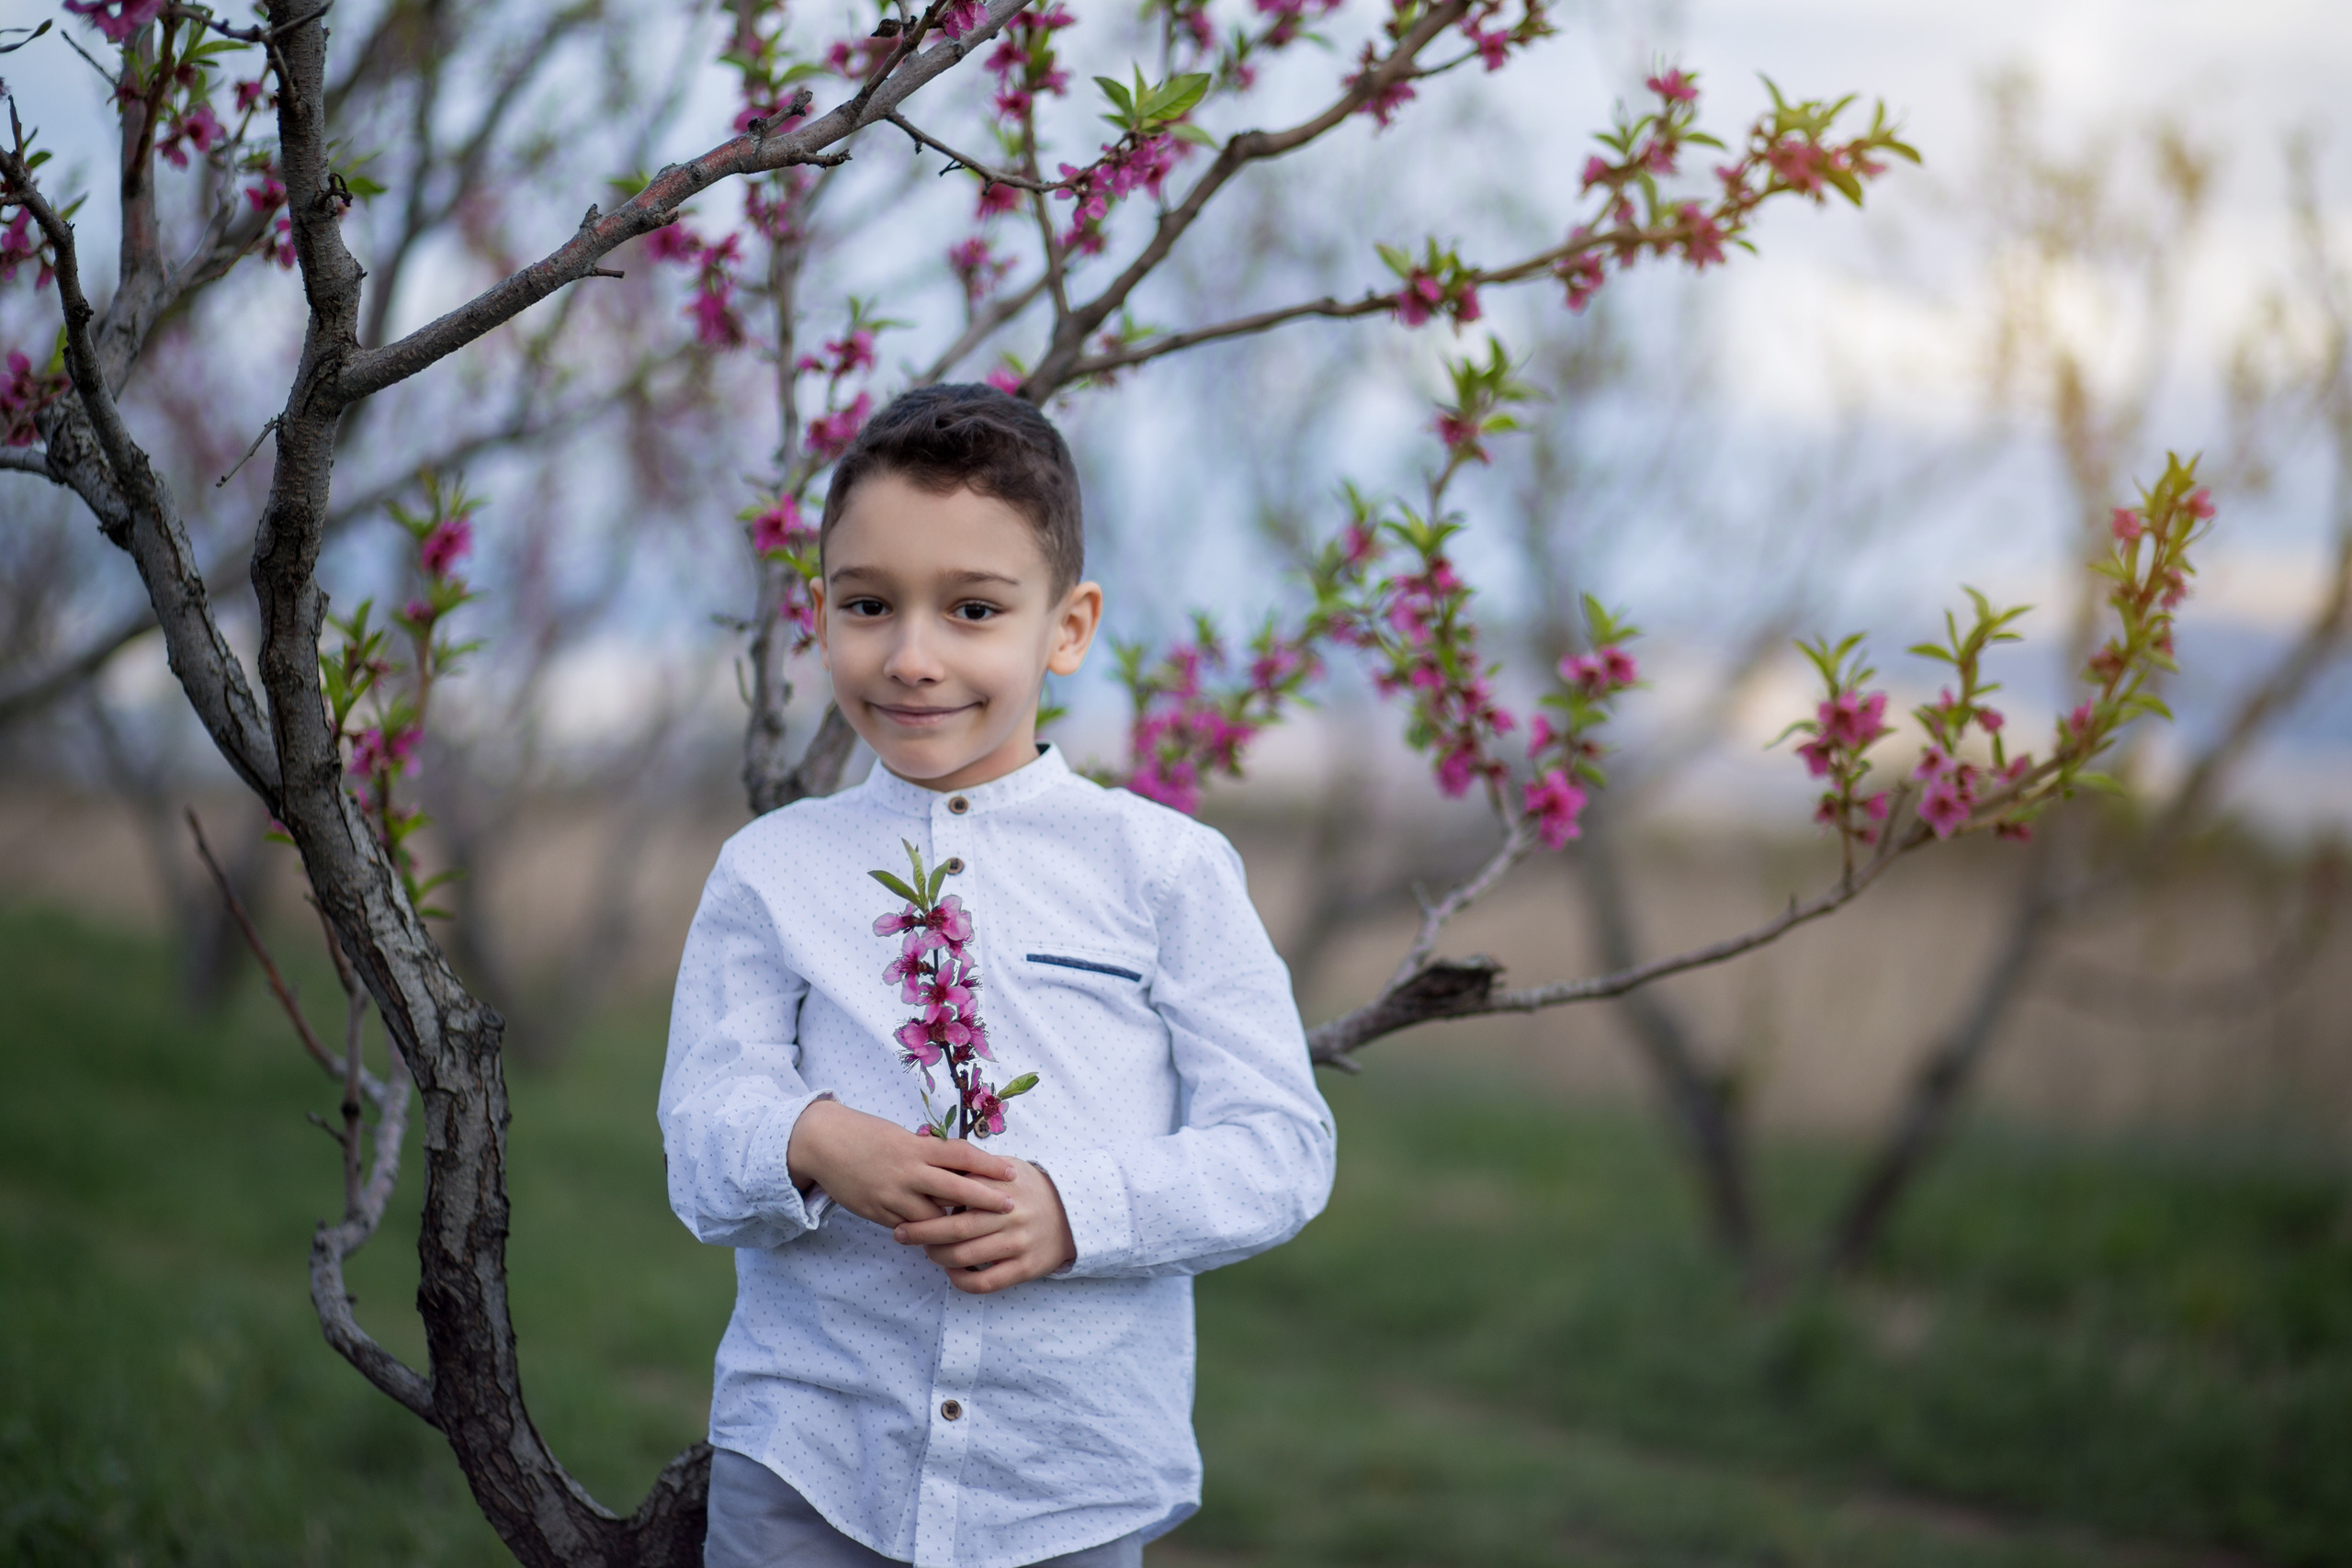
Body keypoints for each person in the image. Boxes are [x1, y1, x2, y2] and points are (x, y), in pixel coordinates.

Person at [659, 384, 1337, 1568]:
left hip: (1064, 1482)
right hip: (812, 1462)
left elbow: (1281, 1149)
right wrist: (818, 1141)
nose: (913, 657)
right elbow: (702, 1139)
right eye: (869, 606)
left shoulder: (1166, 870)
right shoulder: (771, 872)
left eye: (974, 609)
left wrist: (1075, 1211)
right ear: (820, 615)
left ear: (1066, 629)